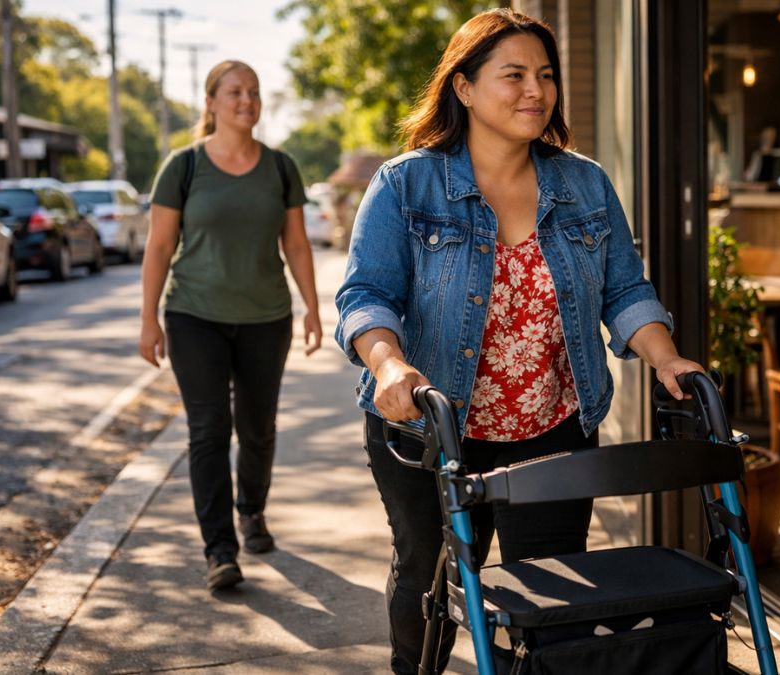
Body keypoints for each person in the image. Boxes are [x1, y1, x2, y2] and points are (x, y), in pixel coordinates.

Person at [334, 9, 704, 673]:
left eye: (545, 74)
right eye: (514, 75)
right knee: (431, 576)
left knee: (550, 594)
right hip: (429, 426)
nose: (535, 89)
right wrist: (389, 364)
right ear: (465, 87)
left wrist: (664, 354)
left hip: (552, 425)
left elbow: (624, 290)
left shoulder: (583, 183)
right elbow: (366, 295)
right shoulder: (405, 184)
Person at [139, 60, 322, 591]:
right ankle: (220, 548)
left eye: (254, 92)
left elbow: (296, 243)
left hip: (266, 318)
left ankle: (252, 510)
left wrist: (312, 307)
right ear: (212, 102)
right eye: (235, 92)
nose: (247, 100)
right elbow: (158, 246)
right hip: (194, 315)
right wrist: (148, 319)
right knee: (208, 428)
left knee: (258, 428)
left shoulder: (281, 167)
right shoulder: (184, 166)